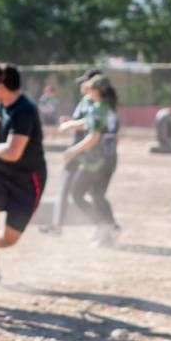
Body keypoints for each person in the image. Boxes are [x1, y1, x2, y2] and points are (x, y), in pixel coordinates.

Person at [0, 63, 46, 285]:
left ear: (2, 86)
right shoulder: (0, 106)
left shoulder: (24, 110)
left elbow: (12, 152)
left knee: (10, 238)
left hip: (27, 180)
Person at [41, 68, 100, 235]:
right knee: (76, 188)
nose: (82, 85)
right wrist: (71, 121)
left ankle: (104, 223)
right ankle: (103, 223)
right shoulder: (87, 100)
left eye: (85, 81)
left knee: (79, 190)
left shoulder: (93, 101)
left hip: (83, 150)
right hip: (82, 149)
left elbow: (91, 122)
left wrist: (71, 125)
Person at [64, 75, 120, 246]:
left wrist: (72, 152)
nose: (88, 91)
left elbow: (93, 138)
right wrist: (71, 125)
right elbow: (113, 136)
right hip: (110, 159)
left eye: (90, 88)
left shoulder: (97, 108)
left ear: (97, 91)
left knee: (77, 193)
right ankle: (108, 229)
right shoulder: (110, 109)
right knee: (97, 195)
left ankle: (103, 225)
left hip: (95, 162)